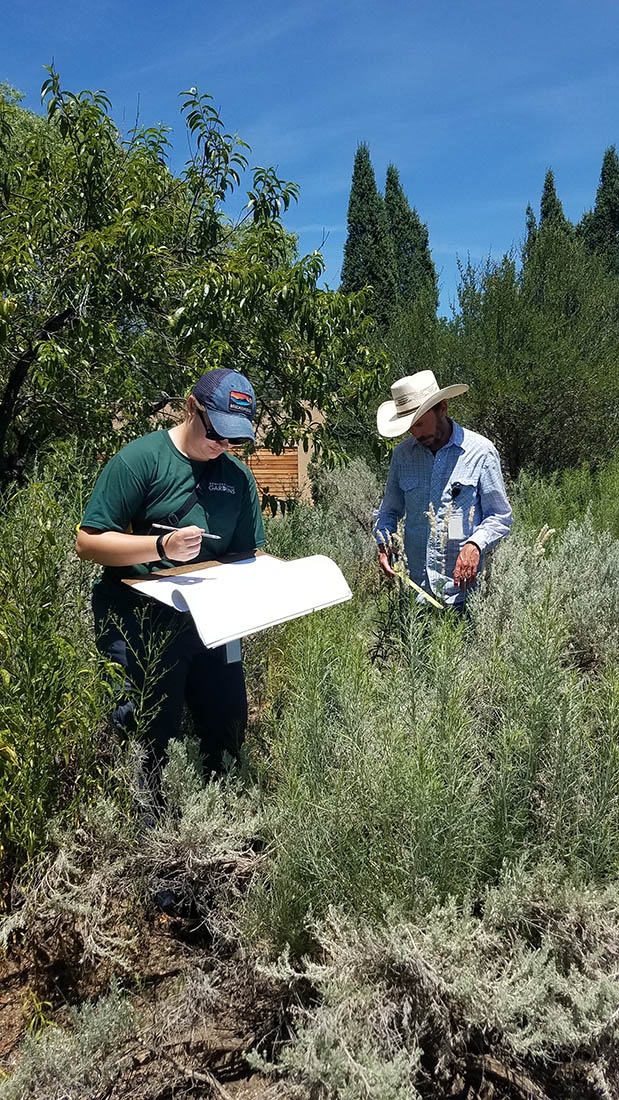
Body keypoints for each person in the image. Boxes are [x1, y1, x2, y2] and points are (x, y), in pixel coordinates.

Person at [76, 367, 265, 774]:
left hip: (212, 620)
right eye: (216, 432)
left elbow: (245, 556)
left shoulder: (237, 478)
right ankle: (150, 815)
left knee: (227, 726)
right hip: (139, 618)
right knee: (148, 736)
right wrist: (161, 547)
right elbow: (88, 542)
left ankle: (222, 806)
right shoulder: (140, 460)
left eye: (234, 438)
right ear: (191, 407)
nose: (223, 445)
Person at [374, 370, 512, 609]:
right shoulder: (403, 456)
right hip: (415, 591)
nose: (416, 433)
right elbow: (389, 511)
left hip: (465, 594)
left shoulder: (481, 452)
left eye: (420, 423)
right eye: (410, 427)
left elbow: (500, 516)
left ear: (443, 408)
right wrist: (384, 544)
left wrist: (475, 544)